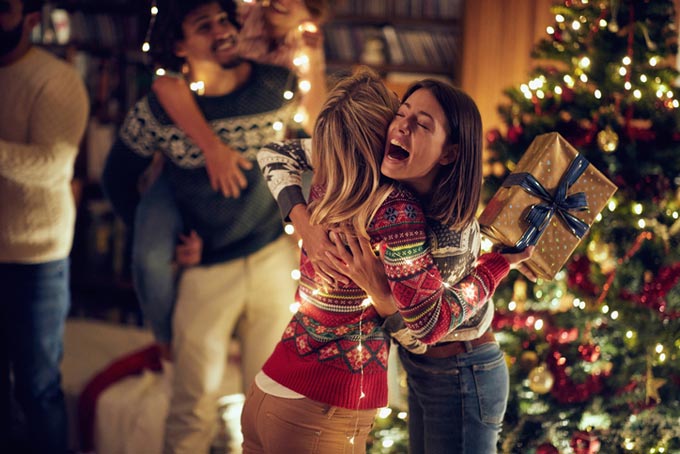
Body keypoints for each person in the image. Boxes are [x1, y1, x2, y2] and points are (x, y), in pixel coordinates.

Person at [241, 68, 531, 454]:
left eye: (421, 124)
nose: (402, 128)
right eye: (402, 113)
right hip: (330, 397)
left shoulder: (432, 223)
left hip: (462, 368)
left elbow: (424, 330)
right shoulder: (364, 176)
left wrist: (494, 266)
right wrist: (303, 222)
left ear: (450, 152)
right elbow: (274, 151)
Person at [101, 1, 300, 452]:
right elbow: (116, 177)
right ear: (178, 44)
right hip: (205, 272)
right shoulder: (159, 107)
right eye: (204, 25)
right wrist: (164, 243)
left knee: (270, 407)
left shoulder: (276, 86)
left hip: (272, 259)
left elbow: (309, 152)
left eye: (226, 20)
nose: (223, 31)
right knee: (191, 412)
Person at [131, 0, 329, 357]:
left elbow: (315, 121)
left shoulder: (305, 42)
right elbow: (167, 84)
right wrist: (212, 147)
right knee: (150, 254)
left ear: (313, 12)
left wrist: (312, 64)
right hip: (190, 155)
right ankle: (164, 341)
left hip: (260, 151)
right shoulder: (239, 17)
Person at [0, 0, 89, 452]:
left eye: (5, 8)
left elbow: (55, 165)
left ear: (31, 19)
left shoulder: (57, 80)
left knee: (37, 387)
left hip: (37, 253)